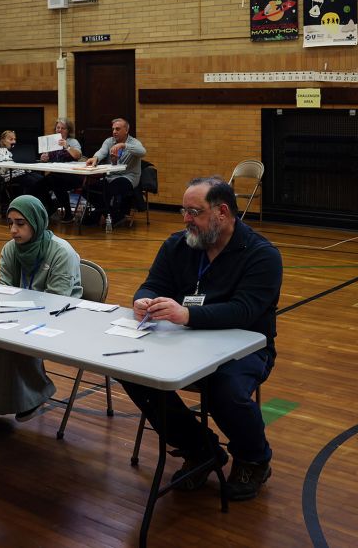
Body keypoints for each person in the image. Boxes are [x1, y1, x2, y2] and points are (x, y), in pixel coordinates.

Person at [120, 176, 282, 501]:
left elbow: (244, 311)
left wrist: (187, 315)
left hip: (244, 347)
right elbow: (153, 283)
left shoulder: (262, 255)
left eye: (194, 212)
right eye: (184, 211)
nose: (186, 219)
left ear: (222, 212)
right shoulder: (179, 245)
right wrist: (143, 299)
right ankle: (200, 448)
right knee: (133, 374)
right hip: (182, 340)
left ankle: (254, 457)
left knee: (224, 389)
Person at [0, 195, 82, 419]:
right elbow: (4, 291)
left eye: (20, 223)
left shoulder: (61, 252)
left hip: (61, 315)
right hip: (20, 311)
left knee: (15, 334)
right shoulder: (10, 249)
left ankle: (35, 393)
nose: (13, 230)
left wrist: (18, 310)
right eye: (10, 223)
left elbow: (57, 300)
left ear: (37, 222)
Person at [82, 118, 146, 225]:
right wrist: (95, 158)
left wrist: (124, 145)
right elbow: (101, 152)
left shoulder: (134, 142)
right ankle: (114, 214)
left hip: (129, 177)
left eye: (118, 129)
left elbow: (142, 152)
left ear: (126, 130)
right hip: (111, 177)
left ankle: (97, 214)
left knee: (109, 190)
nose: (114, 132)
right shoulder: (109, 141)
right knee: (87, 190)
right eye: (113, 129)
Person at [33, 117, 83, 220]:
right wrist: (44, 158)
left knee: (56, 182)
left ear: (68, 130)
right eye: (58, 128)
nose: (59, 130)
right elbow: (47, 159)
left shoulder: (72, 141)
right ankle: (51, 206)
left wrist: (67, 146)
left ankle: (67, 212)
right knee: (37, 186)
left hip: (72, 175)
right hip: (56, 175)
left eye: (63, 128)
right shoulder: (52, 142)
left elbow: (78, 156)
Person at [0, 130, 41, 213]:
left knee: (41, 180)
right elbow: (3, 170)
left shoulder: (16, 150)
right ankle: (27, 207)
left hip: (23, 173)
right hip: (11, 176)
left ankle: (42, 205)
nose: (13, 141)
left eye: (14, 139)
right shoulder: (2, 152)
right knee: (33, 182)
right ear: (3, 141)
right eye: (10, 139)